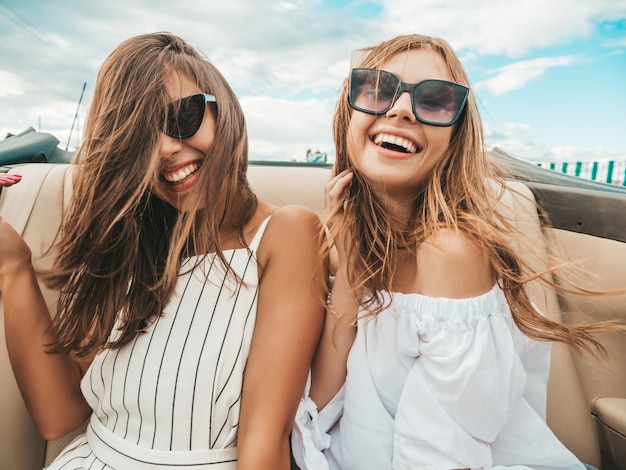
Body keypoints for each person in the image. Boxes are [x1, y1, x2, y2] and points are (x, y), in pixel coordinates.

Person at [291, 34, 623, 470]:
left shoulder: (451, 252)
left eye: (435, 101)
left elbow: (440, 458)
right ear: (347, 112)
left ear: (455, 137)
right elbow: (323, 409)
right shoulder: (350, 242)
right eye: (378, 89)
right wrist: (349, 271)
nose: (402, 108)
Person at [0, 32, 325, 469]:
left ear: (222, 109)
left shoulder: (286, 233)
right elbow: (60, 419)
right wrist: (13, 266)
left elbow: (264, 443)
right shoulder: (124, 240)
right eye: (137, 139)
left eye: (182, 116)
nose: (165, 148)